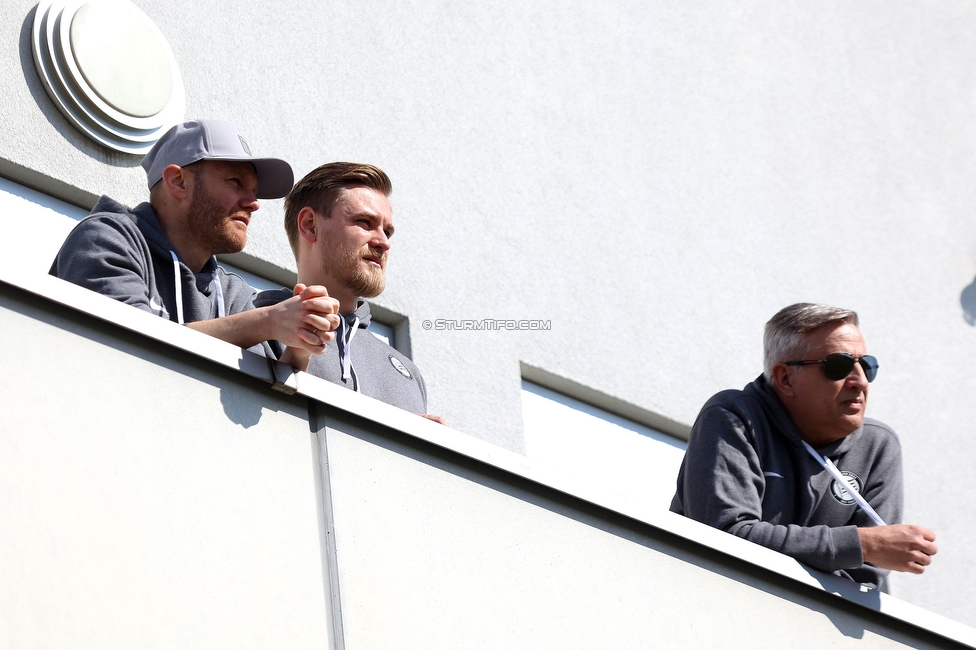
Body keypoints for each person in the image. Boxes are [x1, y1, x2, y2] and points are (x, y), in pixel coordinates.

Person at [670, 303, 937, 589]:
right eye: (840, 365)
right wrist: (860, 544)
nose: (860, 381)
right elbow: (724, 537)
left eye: (866, 365)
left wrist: (861, 550)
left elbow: (865, 578)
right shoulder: (734, 417)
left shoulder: (877, 446)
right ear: (786, 378)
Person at [50, 119, 339, 365]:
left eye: (254, 190)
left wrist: (301, 346)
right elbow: (126, 352)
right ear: (178, 182)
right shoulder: (107, 239)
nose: (254, 203)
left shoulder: (232, 292)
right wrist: (269, 322)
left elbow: (265, 399)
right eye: (235, 182)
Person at [255, 162, 442, 421]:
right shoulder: (251, 323)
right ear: (309, 225)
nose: (384, 242)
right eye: (365, 223)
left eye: (387, 231)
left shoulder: (408, 375)